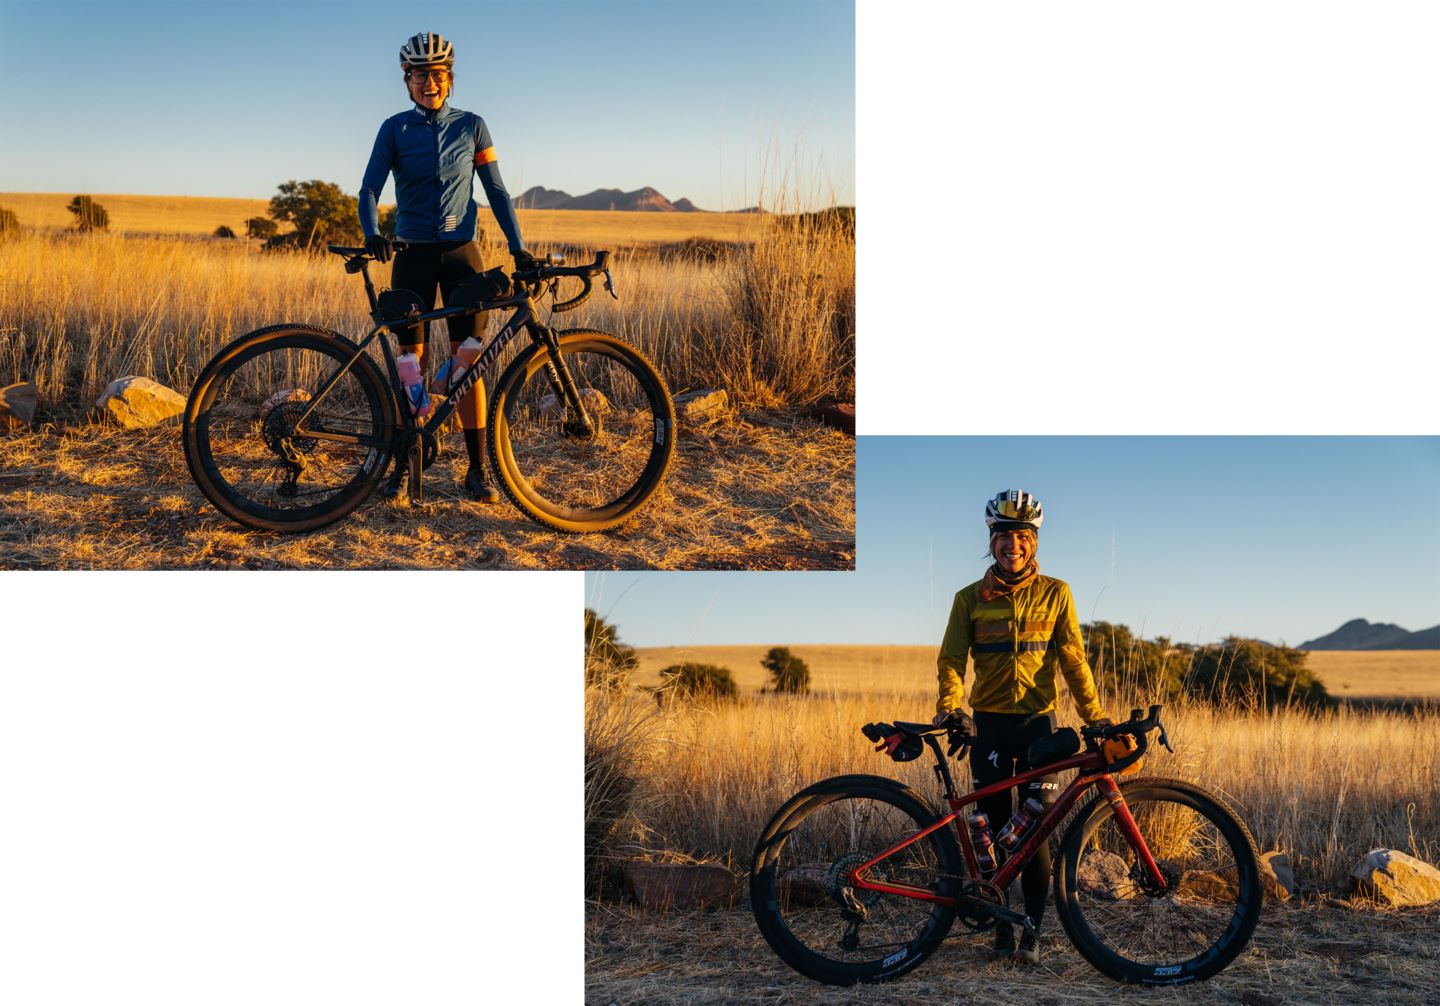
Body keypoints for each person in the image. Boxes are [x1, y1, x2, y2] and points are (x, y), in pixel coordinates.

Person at [933, 489, 1112, 966]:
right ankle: (1000, 929)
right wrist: (951, 706)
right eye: (1003, 536)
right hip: (989, 727)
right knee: (990, 831)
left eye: (1022, 536)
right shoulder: (968, 599)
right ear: (991, 542)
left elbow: (1073, 659)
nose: (1012, 544)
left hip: (1039, 728)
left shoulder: (1057, 592)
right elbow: (951, 660)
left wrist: (1096, 717)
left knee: (1034, 835)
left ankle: (1032, 934)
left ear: (1033, 542)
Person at [358, 31, 536, 502]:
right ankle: (402, 467)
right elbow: (369, 190)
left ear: (449, 80)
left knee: (469, 363)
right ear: (407, 82)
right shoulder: (394, 129)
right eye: (418, 75)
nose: (428, 82)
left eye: (436, 74)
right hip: (412, 256)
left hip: (462, 256)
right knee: (407, 365)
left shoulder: (473, 126)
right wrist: (372, 232)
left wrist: (518, 248)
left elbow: (496, 191)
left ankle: (478, 471)